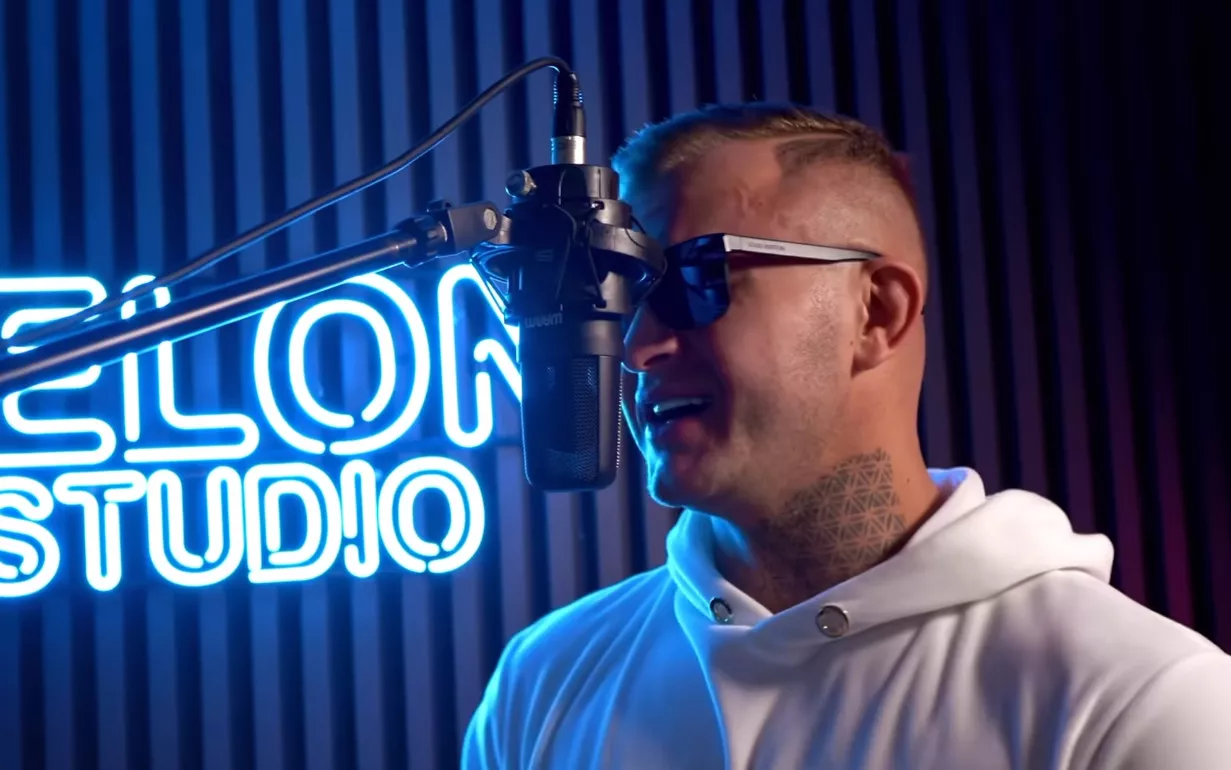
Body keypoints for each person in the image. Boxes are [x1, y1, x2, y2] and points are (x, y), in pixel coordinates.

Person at [461, 103, 1231, 769]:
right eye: (623, 295)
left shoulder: (1141, 701)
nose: (636, 348)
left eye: (693, 282)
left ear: (876, 314)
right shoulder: (543, 682)